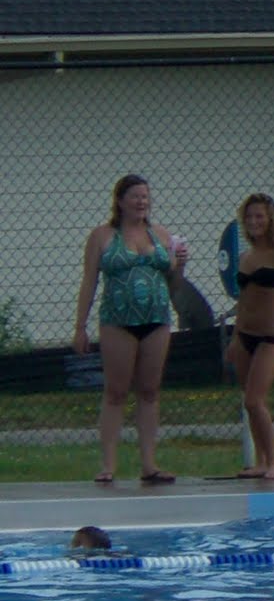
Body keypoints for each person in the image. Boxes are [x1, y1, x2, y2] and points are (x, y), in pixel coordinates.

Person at [73, 174, 189, 485]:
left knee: (149, 391)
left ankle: (149, 464)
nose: (142, 202)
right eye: (135, 196)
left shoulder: (161, 236)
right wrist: (80, 326)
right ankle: (108, 465)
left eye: (145, 197)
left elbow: (174, 284)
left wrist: (180, 265)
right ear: (120, 201)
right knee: (116, 392)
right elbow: (89, 282)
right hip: (117, 321)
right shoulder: (102, 236)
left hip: (156, 320)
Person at [224, 193, 274, 480]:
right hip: (245, 335)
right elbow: (245, 300)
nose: (254, 221)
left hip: (271, 337)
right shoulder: (245, 258)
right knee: (249, 401)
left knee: (255, 400)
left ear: (270, 218)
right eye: (249, 217)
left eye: (260, 216)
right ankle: (261, 460)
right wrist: (235, 337)